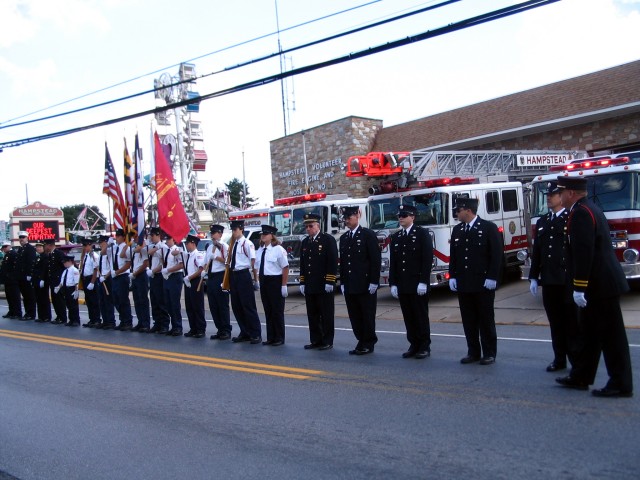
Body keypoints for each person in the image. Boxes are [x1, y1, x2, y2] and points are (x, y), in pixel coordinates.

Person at [554, 176, 633, 398]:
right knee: (589, 334)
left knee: (611, 337)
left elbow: (584, 251)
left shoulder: (581, 213)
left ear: (570, 193)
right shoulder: (587, 208)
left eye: (561, 193)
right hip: (598, 283)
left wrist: (579, 286)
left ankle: (620, 382)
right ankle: (580, 375)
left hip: (600, 285)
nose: (559, 197)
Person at [528, 181, 577, 372]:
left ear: (562, 196)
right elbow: (538, 251)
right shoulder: (543, 221)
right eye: (547, 195)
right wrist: (533, 276)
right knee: (555, 323)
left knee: (571, 323)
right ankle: (559, 359)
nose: (549, 197)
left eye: (553, 194)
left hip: (565, 279)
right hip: (549, 279)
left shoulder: (570, 218)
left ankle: (576, 361)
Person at [449, 197, 502, 365]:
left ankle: (489, 352)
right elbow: (455, 257)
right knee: (469, 320)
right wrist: (453, 275)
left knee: (485, 319)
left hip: (482, 282)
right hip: (464, 283)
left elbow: (496, 255)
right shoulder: (457, 230)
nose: (457, 213)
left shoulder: (488, 228)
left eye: (459, 210)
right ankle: (473, 351)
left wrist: (493, 277)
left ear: (468, 210)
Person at [389, 204, 433, 359]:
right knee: (408, 317)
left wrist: (423, 281)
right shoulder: (397, 237)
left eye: (404, 215)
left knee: (420, 316)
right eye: (399, 215)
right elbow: (393, 262)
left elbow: (427, 259)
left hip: (417, 284)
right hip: (403, 284)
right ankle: (413, 344)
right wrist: (393, 283)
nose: (400, 218)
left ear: (412, 217)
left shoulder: (422, 234)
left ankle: (424, 345)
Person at [339, 206, 381, 355]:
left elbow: (375, 260)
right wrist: (342, 282)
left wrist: (374, 281)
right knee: (355, 316)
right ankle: (360, 340)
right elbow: (343, 263)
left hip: (365, 284)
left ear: (357, 216)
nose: (347, 222)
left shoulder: (367, 235)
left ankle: (368, 342)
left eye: (349, 218)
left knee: (366, 315)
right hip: (350, 284)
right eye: (345, 219)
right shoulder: (344, 238)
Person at [299, 213, 338, 351]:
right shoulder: (305, 242)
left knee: (326, 314)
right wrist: (302, 282)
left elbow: (332, 261)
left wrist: (330, 280)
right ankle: (315, 339)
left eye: (311, 226)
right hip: (310, 284)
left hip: (323, 284)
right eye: (306, 226)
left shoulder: (327, 240)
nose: (308, 229)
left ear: (318, 226)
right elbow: (303, 264)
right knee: (313, 314)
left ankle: (327, 340)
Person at [227, 220, 262, 344]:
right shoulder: (233, 244)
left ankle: (255, 333)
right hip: (234, 274)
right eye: (232, 230)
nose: (234, 232)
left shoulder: (247, 243)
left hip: (243, 275)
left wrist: (255, 278)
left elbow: (253, 260)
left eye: (235, 229)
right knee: (237, 306)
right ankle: (245, 331)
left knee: (248, 306)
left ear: (241, 229)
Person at [255, 224, 289, 346]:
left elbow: (285, 267)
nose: (263, 236)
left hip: (275, 281)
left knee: (277, 311)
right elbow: (257, 267)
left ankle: (279, 337)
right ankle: (270, 337)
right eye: (262, 234)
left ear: (271, 236)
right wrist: (257, 280)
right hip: (264, 281)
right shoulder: (260, 250)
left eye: (265, 234)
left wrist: (284, 285)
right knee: (268, 310)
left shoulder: (278, 249)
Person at [203, 224, 232, 340]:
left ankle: (226, 330)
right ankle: (219, 329)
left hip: (221, 276)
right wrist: (203, 271)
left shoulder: (224, 246)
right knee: (213, 304)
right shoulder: (210, 247)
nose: (212, 236)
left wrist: (216, 257)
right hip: (211, 276)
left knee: (222, 304)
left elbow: (227, 261)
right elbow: (206, 262)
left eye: (214, 233)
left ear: (220, 234)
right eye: (211, 233)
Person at [146, 227, 170, 334]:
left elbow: (163, 264)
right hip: (153, 276)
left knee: (161, 301)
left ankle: (164, 324)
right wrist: (156, 247)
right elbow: (149, 252)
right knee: (154, 300)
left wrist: (154, 271)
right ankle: (157, 323)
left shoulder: (164, 247)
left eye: (153, 235)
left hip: (159, 275)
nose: (151, 237)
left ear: (158, 235)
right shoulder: (155, 246)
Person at [160, 233, 185, 336]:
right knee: (168, 303)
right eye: (166, 239)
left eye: (169, 239)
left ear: (174, 240)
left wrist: (168, 270)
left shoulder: (177, 250)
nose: (167, 241)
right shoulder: (166, 250)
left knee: (174, 303)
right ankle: (173, 326)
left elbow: (181, 264)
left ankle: (178, 327)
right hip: (167, 277)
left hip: (175, 277)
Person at [110, 229, 134, 331]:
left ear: (123, 237)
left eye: (119, 236)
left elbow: (128, 264)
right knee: (116, 299)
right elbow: (103, 252)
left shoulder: (126, 248)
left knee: (123, 299)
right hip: (115, 276)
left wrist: (117, 272)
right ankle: (122, 320)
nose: (117, 237)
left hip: (122, 275)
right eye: (116, 236)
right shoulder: (115, 248)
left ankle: (127, 321)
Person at [183, 234, 206, 338]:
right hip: (188, 282)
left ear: (193, 243)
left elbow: (200, 269)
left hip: (196, 282)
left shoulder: (198, 255)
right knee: (189, 306)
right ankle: (193, 328)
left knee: (197, 306)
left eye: (187, 243)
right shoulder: (189, 255)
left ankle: (200, 329)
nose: (186, 245)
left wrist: (190, 277)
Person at [129, 232, 151, 332]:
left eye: (135, 237)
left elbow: (146, 263)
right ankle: (140, 321)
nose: (134, 239)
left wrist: (136, 273)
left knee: (143, 300)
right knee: (137, 300)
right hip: (135, 275)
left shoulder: (144, 247)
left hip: (141, 275)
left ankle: (145, 323)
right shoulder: (136, 248)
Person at [79, 238, 101, 328]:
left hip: (91, 279)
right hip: (85, 279)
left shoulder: (93, 255)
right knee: (88, 301)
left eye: (86, 246)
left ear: (90, 245)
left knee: (94, 301)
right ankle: (92, 319)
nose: (84, 248)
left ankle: (96, 320)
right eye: (83, 246)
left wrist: (92, 282)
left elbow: (96, 269)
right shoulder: (86, 255)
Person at [45, 239, 67, 324]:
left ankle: (62, 317)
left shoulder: (58, 253)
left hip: (58, 281)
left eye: (46, 245)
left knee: (59, 300)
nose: (45, 247)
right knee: (55, 300)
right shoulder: (51, 254)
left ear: (50, 245)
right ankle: (59, 316)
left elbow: (63, 267)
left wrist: (62, 281)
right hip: (53, 280)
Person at [54, 254, 80, 327]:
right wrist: (58, 287)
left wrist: (76, 291)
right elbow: (62, 281)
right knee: (68, 305)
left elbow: (76, 282)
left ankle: (76, 320)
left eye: (65, 262)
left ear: (70, 261)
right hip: (66, 289)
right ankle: (71, 320)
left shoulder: (74, 270)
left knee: (73, 306)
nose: (64, 263)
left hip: (72, 289)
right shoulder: (65, 271)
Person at [16, 231, 37, 320]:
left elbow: (31, 263)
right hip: (21, 276)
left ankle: (31, 314)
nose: (21, 239)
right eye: (20, 237)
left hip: (27, 276)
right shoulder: (21, 249)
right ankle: (27, 312)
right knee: (25, 296)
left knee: (30, 296)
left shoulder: (30, 248)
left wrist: (29, 275)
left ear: (27, 238)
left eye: (23, 237)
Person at [96, 235, 116, 330]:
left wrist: (105, 277)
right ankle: (105, 321)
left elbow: (111, 268)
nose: (100, 244)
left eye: (101, 242)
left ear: (105, 242)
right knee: (102, 301)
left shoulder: (109, 252)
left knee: (108, 301)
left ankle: (111, 321)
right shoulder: (102, 254)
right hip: (101, 278)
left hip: (107, 279)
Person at [31, 242, 52, 323]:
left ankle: (46, 316)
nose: (38, 248)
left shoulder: (45, 257)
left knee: (44, 299)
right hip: (37, 281)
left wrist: (42, 279)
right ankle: (41, 316)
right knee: (39, 299)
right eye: (37, 247)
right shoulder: (38, 257)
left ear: (43, 248)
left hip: (42, 281)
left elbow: (44, 269)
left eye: (40, 247)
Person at [1, 241, 22, 319]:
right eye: (3, 247)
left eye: (5, 247)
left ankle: (17, 312)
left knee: (15, 297)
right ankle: (12, 311)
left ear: (9, 246)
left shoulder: (13, 254)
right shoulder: (7, 255)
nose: (4, 249)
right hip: (7, 280)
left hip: (12, 280)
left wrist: (11, 276)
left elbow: (15, 267)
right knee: (9, 297)